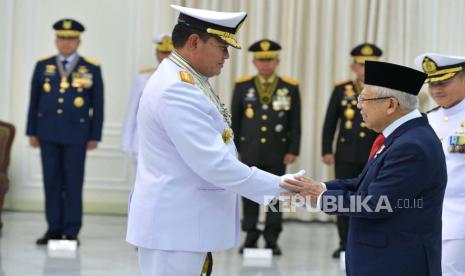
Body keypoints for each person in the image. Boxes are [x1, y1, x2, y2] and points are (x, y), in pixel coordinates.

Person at [125, 5, 300, 276]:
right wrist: (285, 190)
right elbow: (214, 163)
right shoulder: (176, 89)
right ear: (194, 42)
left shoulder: (189, 80)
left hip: (183, 226)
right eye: (222, 46)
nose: (227, 56)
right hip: (176, 228)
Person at [282, 61, 447, 276]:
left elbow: (376, 203)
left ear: (390, 104)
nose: (359, 105)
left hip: (396, 262)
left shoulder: (411, 145)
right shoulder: (403, 136)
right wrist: (320, 186)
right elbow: (365, 183)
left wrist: (321, 197)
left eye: (364, 99)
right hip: (383, 258)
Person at [26, 19, 104, 245]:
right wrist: (32, 131)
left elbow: (98, 105)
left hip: (76, 135)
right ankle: (53, 228)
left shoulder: (91, 67)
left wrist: (94, 135)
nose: (66, 43)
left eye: (70, 39)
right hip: (47, 133)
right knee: (51, 181)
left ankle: (71, 230)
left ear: (78, 41)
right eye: (61, 38)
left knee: (72, 182)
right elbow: (34, 101)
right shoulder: (43, 65)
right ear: (55, 40)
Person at [231, 39, 301, 255]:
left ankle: (272, 237)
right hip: (249, 150)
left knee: (279, 195)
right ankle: (250, 234)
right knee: (250, 193)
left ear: (277, 61)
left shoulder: (289, 87)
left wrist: (293, 149)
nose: (265, 64)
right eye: (261, 60)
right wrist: (234, 149)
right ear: (254, 62)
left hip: (277, 152)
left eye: (269, 60)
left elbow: (295, 121)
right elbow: (235, 120)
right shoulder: (243, 86)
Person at [321, 42, 381, 258]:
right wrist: (326, 149)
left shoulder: (384, 90)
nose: (365, 69)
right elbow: (330, 121)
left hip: (375, 153)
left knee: (371, 200)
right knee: (342, 198)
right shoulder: (342, 89)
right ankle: (344, 243)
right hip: (345, 154)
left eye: (371, 65)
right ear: (353, 67)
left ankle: (367, 243)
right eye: (361, 65)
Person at [415, 53, 465, 276]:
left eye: (443, 82)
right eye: (431, 84)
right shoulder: (427, 119)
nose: (436, 90)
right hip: (428, 216)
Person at [121, 34, 173, 169]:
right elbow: (132, 110)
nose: (165, 56)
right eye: (162, 52)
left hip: (170, 143)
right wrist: (127, 141)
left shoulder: (184, 78)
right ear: (156, 54)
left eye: (169, 52)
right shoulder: (143, 77)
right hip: (143, 141)